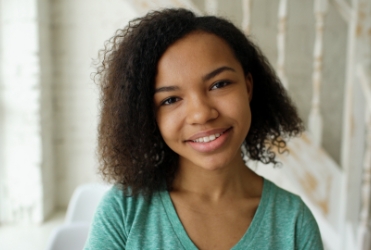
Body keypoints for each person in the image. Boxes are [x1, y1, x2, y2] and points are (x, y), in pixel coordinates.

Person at [84, 8, 323, 250]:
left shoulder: (294, 224)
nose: (201, 114)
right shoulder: (123, 213)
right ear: (148, 116)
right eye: (170, 100)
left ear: (248, 87)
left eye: (219, 84)